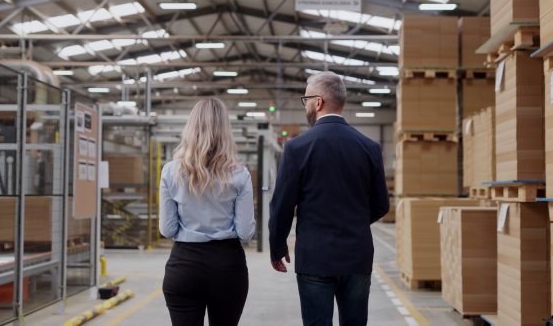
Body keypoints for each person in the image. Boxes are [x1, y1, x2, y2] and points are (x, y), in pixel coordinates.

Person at [268, 71, 390, 326]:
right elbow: (381, 204)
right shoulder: (370, 147)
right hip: (357, 256)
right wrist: (354, 224)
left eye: (306, 100)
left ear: (318, 102)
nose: (306, 106)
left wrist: (278, 247)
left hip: (315, 256)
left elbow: (281, 205)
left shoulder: (297, 148)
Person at [159, 97, 256, 326]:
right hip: (227, 266)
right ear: (225, 130)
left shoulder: (171, 171)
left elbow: (168, 229)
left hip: (184, 266)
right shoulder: (240, 175)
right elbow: (245, 233)